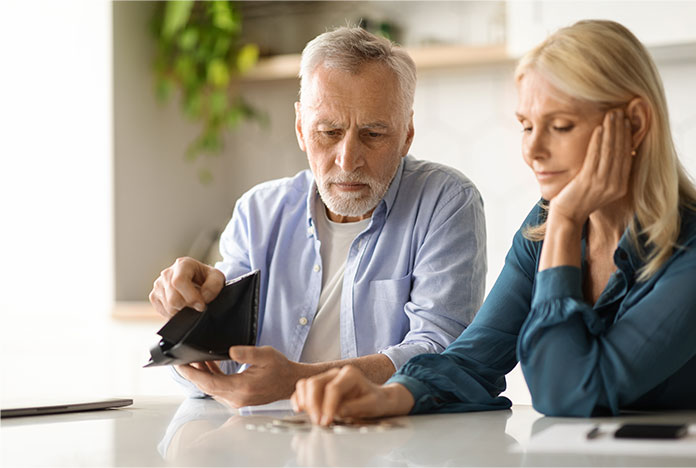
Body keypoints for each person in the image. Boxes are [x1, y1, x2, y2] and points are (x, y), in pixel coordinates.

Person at [292, 19, 696, 423]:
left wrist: (564, 221)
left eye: (560, 126)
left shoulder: (686, 249)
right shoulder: (547, 223)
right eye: (526, 126)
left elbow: (567, 391)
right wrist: (388, 396)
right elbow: (473, 359)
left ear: (634, 124)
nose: (533, 150)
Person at [148, 27, 487, 407]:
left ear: (407, 133)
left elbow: (440, 354)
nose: (347, 160)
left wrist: (297, 381)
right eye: (328, 132)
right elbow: (218, 372)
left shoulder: (446, 202)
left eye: (374, 134)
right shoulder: (258, 213)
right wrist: (189, 321)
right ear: (300, 129)